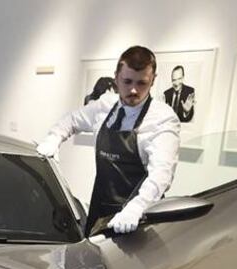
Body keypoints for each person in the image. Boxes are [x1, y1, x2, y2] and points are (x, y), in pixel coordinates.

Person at [36, 45, 179, 236]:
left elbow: (161, 173)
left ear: (153, 80)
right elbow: (71, 120)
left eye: (142, 83)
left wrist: (137, 207)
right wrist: (54, 138)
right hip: (100, 209)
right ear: (116, 78)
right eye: (127, 81)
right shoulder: (105, 105)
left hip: (138, 218)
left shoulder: (163, 118)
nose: (134, 90)